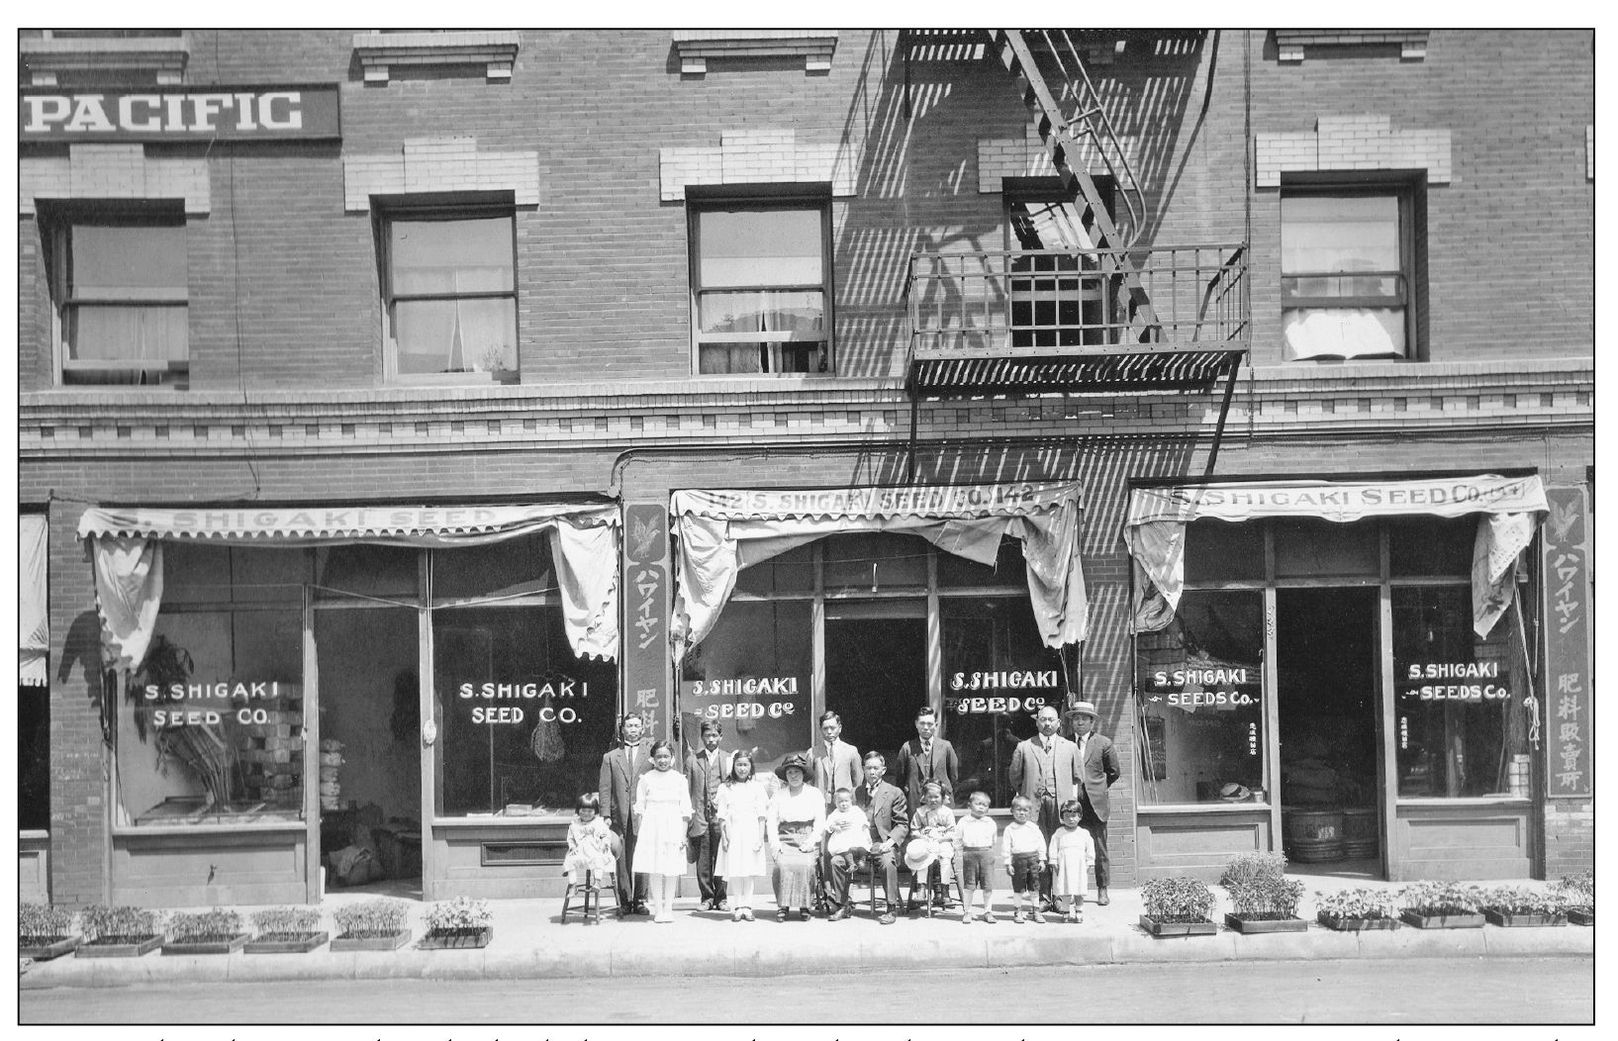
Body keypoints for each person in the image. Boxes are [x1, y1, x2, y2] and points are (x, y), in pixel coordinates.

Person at [1007, 703, 1080, 911]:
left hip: (1061, 807)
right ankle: (1042, 897)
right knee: (1038, 852)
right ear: (1037, 722)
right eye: (1043, 719)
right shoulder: (1024, 747)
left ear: (1058, 723)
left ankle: (1060, 896)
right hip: (1034, 807)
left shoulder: (1070, 747)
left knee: (1060, 850)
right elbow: (1015, 777)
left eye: (1051, 720)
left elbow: (1077, 777)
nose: (1047, 723)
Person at [632, 739, 693, 923]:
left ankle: (669, 908)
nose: (663, 760)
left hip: (673, 825)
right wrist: (642, 834)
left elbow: (685, 810)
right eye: (659, 757)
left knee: (671, 868)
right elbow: (640, 809)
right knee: (655, 868)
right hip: (652, 827)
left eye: (666, 756)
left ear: (672, 758)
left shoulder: (679, 780)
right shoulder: (646, 780)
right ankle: (658, 908)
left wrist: (682, 835)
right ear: (653, 759)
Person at [598, 714, 651, 915]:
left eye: (637, 725)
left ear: (642, 729)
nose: (633, 729)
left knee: (642, 855)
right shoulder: (610, 757)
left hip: (643, 814)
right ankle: (625, 900)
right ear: (623, 729)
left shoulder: (650, 755)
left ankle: (640, 899)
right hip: (618, 813)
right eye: (629, 726)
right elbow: (604, 788)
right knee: (622, 857)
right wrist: (605, 814)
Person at [1069, 700, 1121, 906]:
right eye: (1076, 718)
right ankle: (1074, 890)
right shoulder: (1065, 743)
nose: (1079, 722)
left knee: (1100, 849)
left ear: (1092, 722)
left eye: (1084, 718)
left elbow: (1114, 772)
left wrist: (1096, 787)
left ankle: (1102, 889)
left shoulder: (1103, 743)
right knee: (1073, 847)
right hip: (1072, 805)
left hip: (1096, 805)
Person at [851, 751, 907, 925]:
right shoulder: (856, 793)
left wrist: (889, 842)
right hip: (858, 843)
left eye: (876, 768)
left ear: (883, 770)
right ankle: (841, 904)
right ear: (863, 770)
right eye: (868, 768)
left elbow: (902, 824)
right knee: (837, 860)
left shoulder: (894, 792)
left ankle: (891, 908)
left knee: (887, 861)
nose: (872, 772)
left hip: (882, 842)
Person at [767, 752, 825, 921]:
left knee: (806, 865)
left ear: (804, 774)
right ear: (785, 776)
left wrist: (812, 841)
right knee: (781, 866)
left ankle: (805, 905)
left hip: (806, 836)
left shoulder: (814, 794)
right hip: (785, 838)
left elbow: (820, 821)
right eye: (790, 773)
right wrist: (775, 846)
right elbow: (771, 822)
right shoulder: (779, 795)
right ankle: (783, 906)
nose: (793, 776)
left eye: (797, 772)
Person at [715, 751, 769, 922]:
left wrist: (760, 838)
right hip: (733, 832)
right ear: (733, 766)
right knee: (736, 869)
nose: (742, 768)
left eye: (745, 765)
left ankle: (748, 905)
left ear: (751, 767)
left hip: (751, 831)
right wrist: (724, 837)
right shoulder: (725, 787)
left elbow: (762, 815)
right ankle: (738, 906)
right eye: (739, 765)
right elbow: (722, 816)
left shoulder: (757, 787)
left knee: (749, 870)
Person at [684, 719, 732, 912]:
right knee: (703, 859)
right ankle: (706, 897)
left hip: (720, 816)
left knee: (721, 857)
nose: (711, 739)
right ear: (702, 737)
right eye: (707, 736)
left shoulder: (728, 759)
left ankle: (721, 897)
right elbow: (686, 791)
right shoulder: (693, 760)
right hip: (700, 815)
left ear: (721, 736)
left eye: (714, 735)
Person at [894, 705, 960, 812]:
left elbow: (954, 776)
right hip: (915, 802)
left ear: (936, 725)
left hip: (941, 801)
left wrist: (944, 792)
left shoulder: (946, 746)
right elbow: (900, 778)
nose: (926, 727)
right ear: (916, 724)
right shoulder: (907, 747)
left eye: (929, 724)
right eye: (922, 723)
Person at [907, 779, 957, 914]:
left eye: (936, 797)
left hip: (942, 841)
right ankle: (921, 887)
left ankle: (945, 889)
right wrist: (922, 836)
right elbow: (914, 830)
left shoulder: (947, 812)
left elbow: (952, 831)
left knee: (945, 856)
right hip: (927, 841)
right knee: (922, 856)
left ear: (942, 797)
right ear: (924, 797)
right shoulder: (920, 812)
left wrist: (941, 838)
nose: (933, 800)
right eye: (930, 797)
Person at [822, 788, 871, 921]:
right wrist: (835, 827)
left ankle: (861, 859)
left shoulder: (855, 811)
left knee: (862, 842)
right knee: (836, 860)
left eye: (846, 801)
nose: (843, 804)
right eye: (840, 802)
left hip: (856, 839)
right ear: (835, 803)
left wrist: (864, 828)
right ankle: (842, 904)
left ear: (851, 801)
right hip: (843, 841)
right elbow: (828, 825)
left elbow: (864, 822)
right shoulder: (835, 813)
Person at [1000, 794, 1047, 924]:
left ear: (1030, 812)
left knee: (1034, 888)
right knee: (1018, 888)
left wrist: (1042, 859)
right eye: (1018, 810)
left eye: (1025, 810)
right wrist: (1007, 863)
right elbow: (1006, 847)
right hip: (1018, 861)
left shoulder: (1033, 828)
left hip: (1033, 860)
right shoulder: (1010, 829)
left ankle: (1036, 911)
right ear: (1012, 811)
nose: (1022, 813)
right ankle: (1018, 911)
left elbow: (1041, 843)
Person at [1048, 798, 1096, 923]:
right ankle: (1065, 911)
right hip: (1064, 867)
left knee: (1079, 890)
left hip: (1079, 867)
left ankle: (1079, 911)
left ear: (1080, 816)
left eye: (1074, 816)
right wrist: (1054, 863)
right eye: (1067, 816)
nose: (1070, 819)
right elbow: (1053, 848)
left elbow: (1090, 849)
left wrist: (1089, 863)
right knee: (1065, 890)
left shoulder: (1084, 833)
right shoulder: (1059, 833)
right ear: (1062, 817)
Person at [955, 790, 998, 924]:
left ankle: (988, 911)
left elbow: (994, 840)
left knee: (988, 886)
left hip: (986, 854)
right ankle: (967, 911)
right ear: (969, 805)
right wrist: (959, 853)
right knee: (969, 886)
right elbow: (957, 839)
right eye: (978, 804)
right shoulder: (964, 821)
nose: (981, 807)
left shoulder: (990, 822)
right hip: (969, 855)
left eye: (985, 805)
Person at [563, 792, 616, 892]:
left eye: (590, 811)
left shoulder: (598, 823)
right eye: (583, 810)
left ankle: (597, 881)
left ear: (595, 811)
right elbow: (570, 838)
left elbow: (605, 835)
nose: (586, 813)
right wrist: (572, 847)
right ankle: (573, 884)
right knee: (570, 859)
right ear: (578, 810)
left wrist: (604, 843)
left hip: (596, 849)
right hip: (581, 851)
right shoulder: (575, 824)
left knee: (598, 859)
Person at [809, 711, 862, 806]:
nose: (829, 732)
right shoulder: (813, 753)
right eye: (825, 728)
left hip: (844, 804)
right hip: (821, 804)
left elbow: (858, 781)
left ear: (840, 728)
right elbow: (808, 781)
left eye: (832, 728)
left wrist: (851, 800)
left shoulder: (851, 751)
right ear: (820, 729)